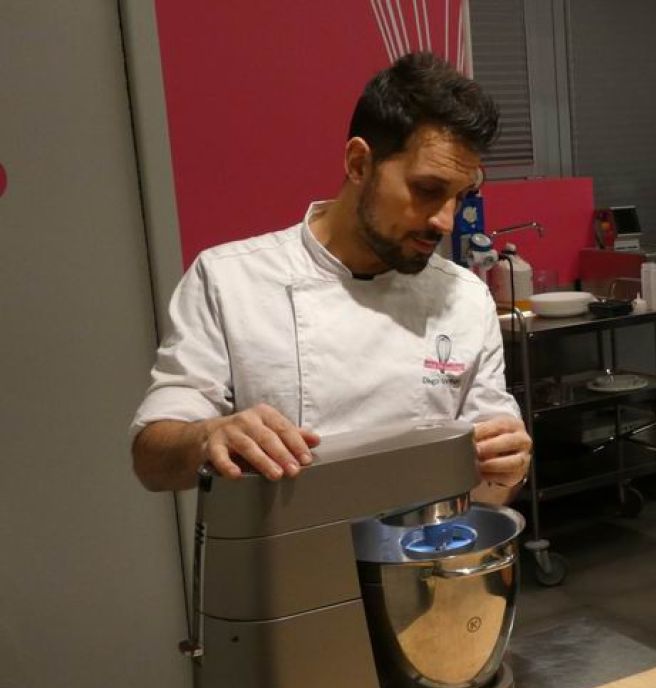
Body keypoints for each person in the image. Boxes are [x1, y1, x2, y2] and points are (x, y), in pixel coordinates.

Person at [131, 52, 531, 502]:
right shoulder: (229, 281)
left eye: (461, 196)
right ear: (359, 163)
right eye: (427, 190)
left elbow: (492, 487)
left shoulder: (466, 298)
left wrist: (509, 467)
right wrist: (207, 437)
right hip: (291, 545)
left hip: (424, 544)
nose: (446, 221)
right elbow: (150, 460)